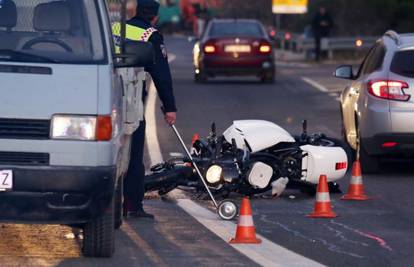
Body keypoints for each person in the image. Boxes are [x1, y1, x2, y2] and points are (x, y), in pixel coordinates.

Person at [112, 0, 177, 218]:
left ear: (136, 11)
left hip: (108, 98)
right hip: (131, 102)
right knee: (134, 154)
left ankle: (108, 201)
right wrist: (170, 108)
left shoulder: (115, 28)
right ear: (155, 17)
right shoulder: (150, 35)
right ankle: (132, 206)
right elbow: (162, 75)